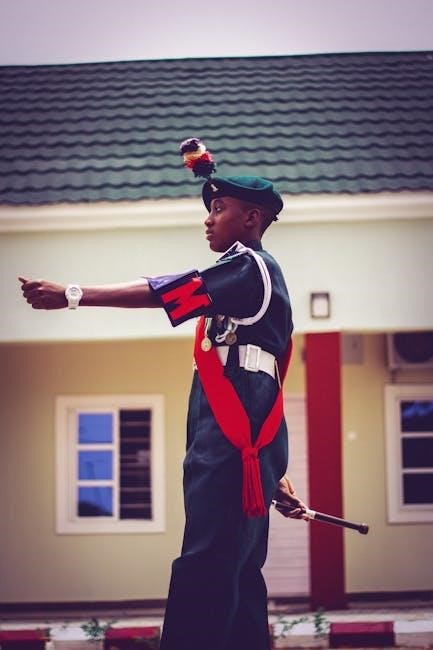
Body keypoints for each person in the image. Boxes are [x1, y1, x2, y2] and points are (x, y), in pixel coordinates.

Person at [20, 173, 307, 650]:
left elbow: (168, 291)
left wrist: (73, 295)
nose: (208, 219)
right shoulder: (245, 279)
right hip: (244, 441)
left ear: (252, 218)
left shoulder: (248, 266)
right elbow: (256, 379)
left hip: (235, 443)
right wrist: (266, 468)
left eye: (220, 208)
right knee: (237, 568)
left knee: (207, 563)